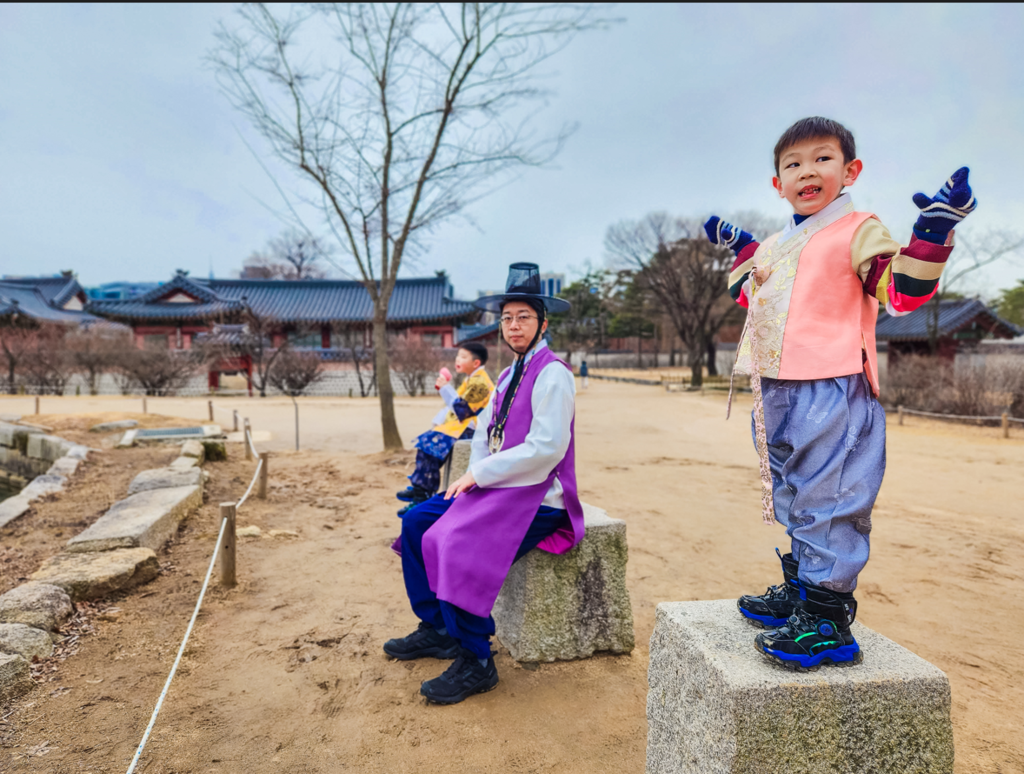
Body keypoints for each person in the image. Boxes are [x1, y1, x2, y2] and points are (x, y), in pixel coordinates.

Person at [705, 116, 975, 669]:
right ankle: (804, 591)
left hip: (830, 384)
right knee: (795, 493)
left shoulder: (857, 228)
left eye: (822, 158)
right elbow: (753, 297)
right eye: (793, 163)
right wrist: (743, 246)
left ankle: (828, 617)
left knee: (830, 498)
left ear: (850, 169)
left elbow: (898, 289)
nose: (808, 171)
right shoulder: (780, 244)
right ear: (776, 183)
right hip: (776, 386)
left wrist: (933, 229)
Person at [384, 262, 584, 704]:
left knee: (456, 541)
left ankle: (477, 660)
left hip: (538, 497)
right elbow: (482, 434)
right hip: (493, 487)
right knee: (417, 521)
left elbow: (547, 448)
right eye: (507, 318)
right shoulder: (509, 375)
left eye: (524, 317)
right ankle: (438, 629)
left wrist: (483, 474)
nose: (514, 326)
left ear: (543, 322)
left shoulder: (555, 374)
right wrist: (471, 477)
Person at [396, 342, 494, 514]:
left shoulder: (480, 383)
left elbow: (462, 411)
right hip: (461, 428)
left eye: (463, 357)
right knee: (426, 441)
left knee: (429, 444)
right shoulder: (472, 379)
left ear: (476, 363)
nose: (458, 359)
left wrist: (444, 388)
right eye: (458, 355)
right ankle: (420, 488)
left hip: (470, 430)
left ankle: (422, 493)